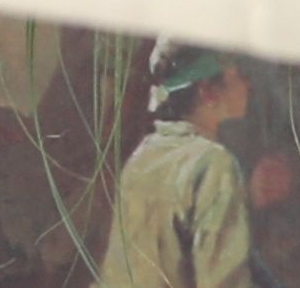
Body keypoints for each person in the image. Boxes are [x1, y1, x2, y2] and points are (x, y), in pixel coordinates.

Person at [104, 42, 259, 288]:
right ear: (207, 91)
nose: (247, 85)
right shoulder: (214, 164)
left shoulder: (143, 157)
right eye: (237, 76)